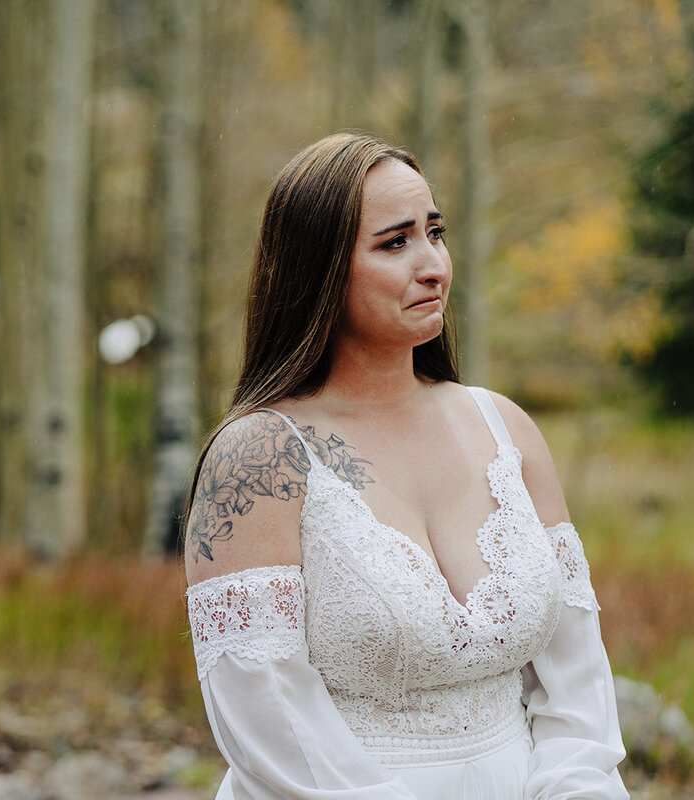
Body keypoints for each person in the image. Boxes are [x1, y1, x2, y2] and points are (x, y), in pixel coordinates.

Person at [184, 133, 628, 799]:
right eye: (395, 243)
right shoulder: (258, 461)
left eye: (435, 232)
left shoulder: (505, 431)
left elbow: (576, 685)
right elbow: (266, 715)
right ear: (318, 269)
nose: (434, 266)